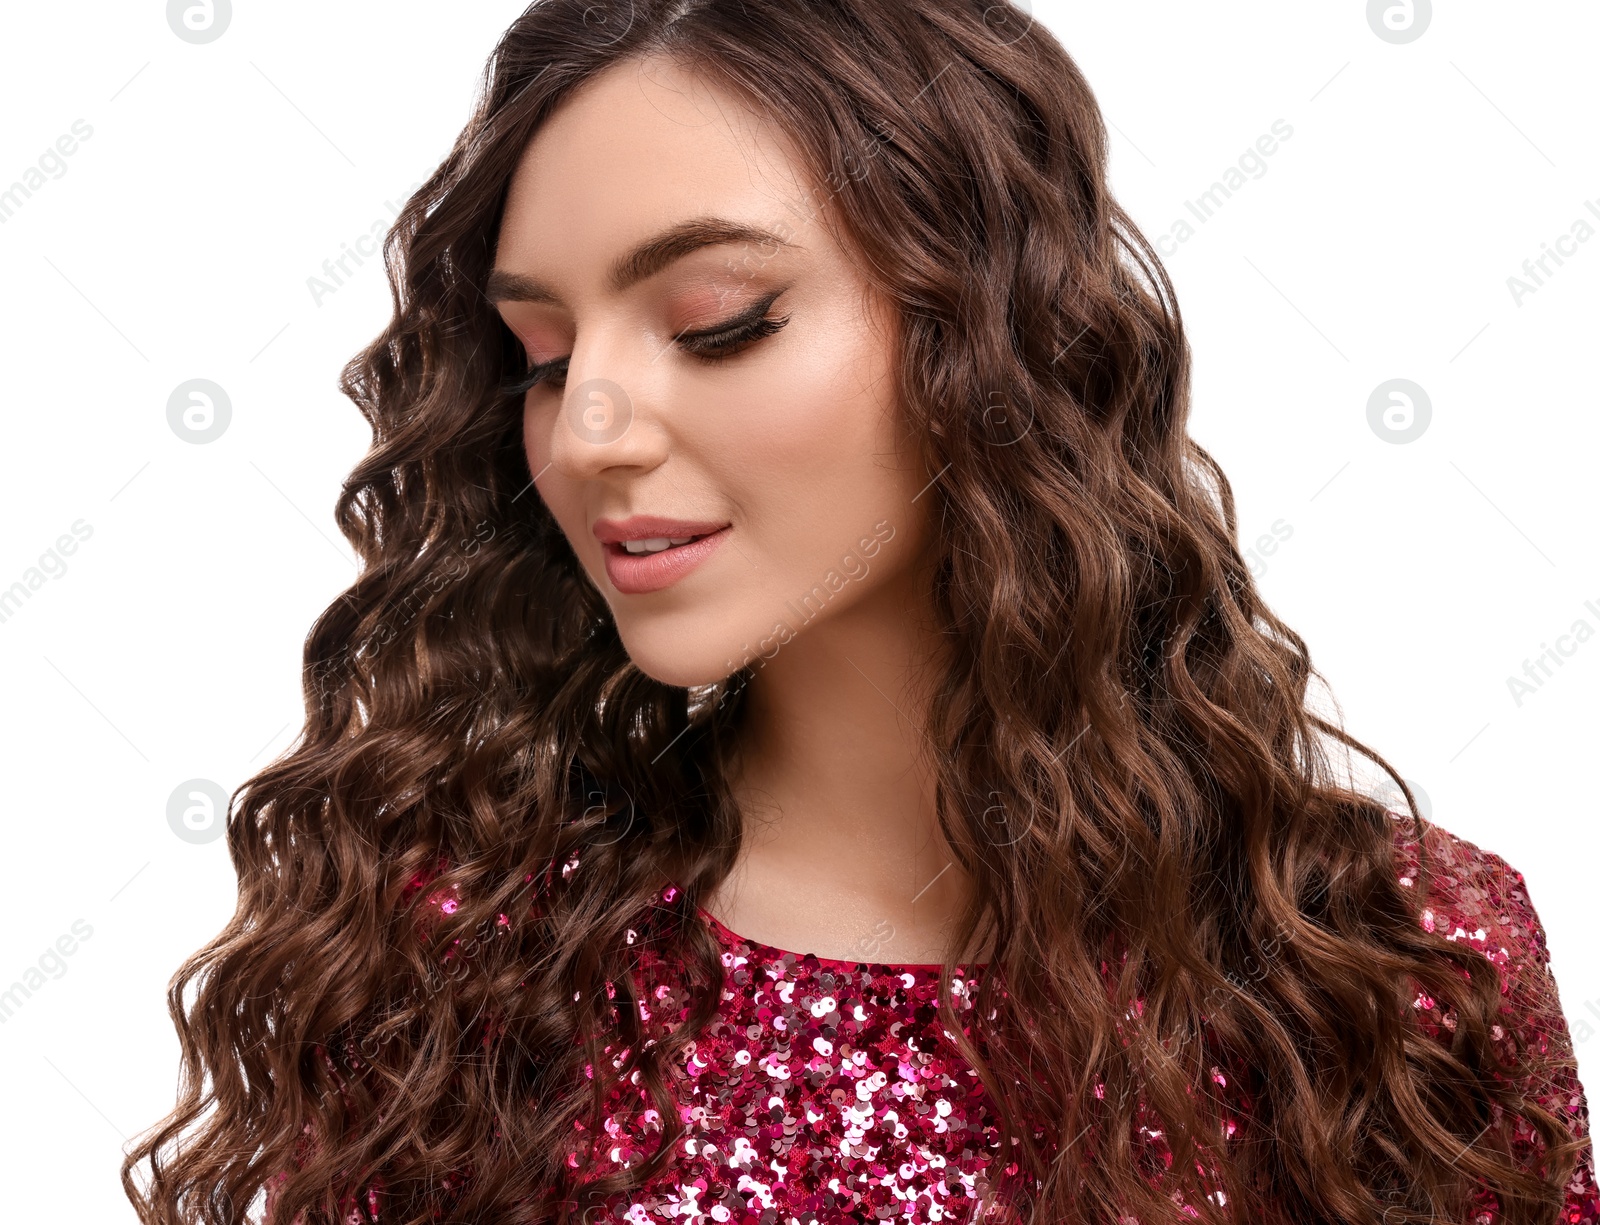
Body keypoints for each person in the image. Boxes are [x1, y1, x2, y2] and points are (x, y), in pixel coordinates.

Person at [122, 2, 1596, 1223]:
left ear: (993, 339)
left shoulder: (1397, 969)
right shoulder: (463, 968)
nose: (587, 434)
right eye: (542, 356)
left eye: (718, 323)